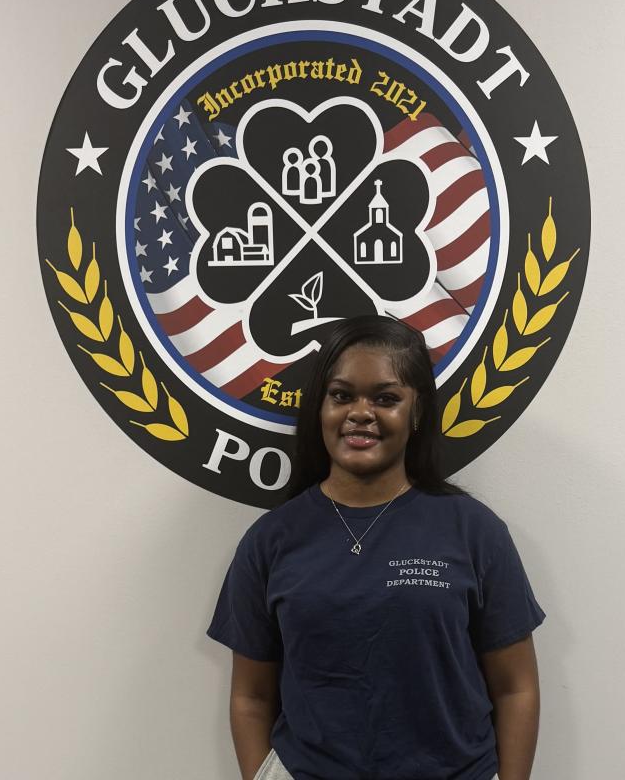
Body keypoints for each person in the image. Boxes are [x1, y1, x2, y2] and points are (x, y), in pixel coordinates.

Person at [207, 315, 546, 780]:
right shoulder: (270, 540)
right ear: (320, 407)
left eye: (386, 398)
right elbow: (251, 697)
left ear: (417, 412)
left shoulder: (474, 531)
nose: (360, 412)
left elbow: (516, 688)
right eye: (341, 395)